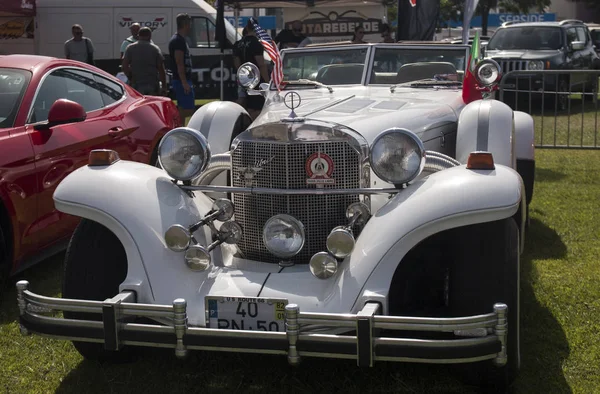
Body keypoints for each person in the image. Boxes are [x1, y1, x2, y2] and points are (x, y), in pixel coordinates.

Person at [233, 20, 271, 120]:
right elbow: (261, 64)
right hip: (256, 80)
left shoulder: (238, 44)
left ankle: (235, 117)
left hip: (243, 78)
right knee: (257, 108)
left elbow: (237, 63)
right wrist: (267, 82)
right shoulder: (256, 44)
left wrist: (242, 78)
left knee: (244, 103)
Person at [122, 27, 167, 96]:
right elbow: (161, 69)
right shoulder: (155, 49)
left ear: (138, 35)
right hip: (152, 83)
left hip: (136, 84)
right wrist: (164, 86)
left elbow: (124, 66)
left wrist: (130, 77)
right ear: (150, 36)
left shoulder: (130, 48)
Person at [168, 13, 195, 120]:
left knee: (182, 108)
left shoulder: (181, 40)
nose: (190, 27)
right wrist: (184, 82)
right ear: (185, 24)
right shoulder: (178, 41)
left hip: (181, 80)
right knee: (189, 110)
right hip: (181, 81)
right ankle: (171, 120)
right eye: (189, 24)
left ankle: (179, 131)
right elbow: (179, 62)